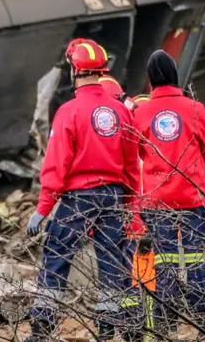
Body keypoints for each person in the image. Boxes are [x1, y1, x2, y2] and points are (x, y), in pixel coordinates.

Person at [25, 38, 141, 341]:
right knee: (111, 262)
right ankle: (106, 328)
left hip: (78, 199)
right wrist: (128, 202)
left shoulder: (68, 112)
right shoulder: (120, 111)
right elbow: (131, 163)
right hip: (114, 196)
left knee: (56, 256)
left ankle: (42, 329)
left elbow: (56, 166)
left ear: (74, 69)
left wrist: (42, 210)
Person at [132, 50, 205, 334]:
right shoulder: (196, 108)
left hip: (158, 199)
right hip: (194, 194)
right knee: (197, 256)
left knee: (164, 261)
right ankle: (203, 319)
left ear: (151, 79)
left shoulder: (141, 113)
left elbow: (138, 154)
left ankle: (167, 321)